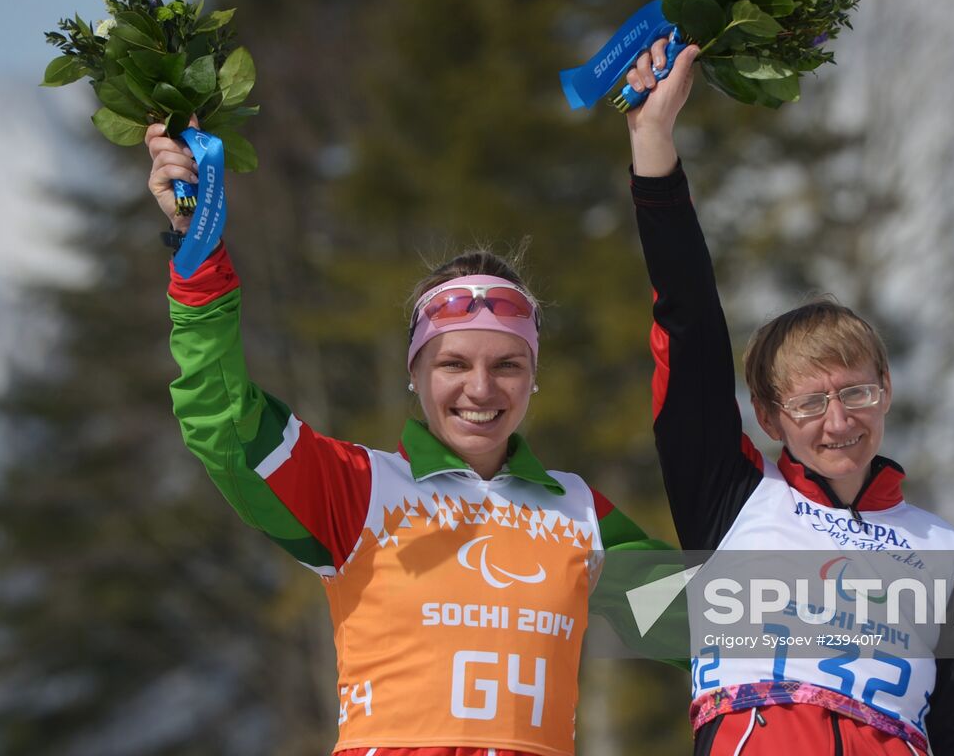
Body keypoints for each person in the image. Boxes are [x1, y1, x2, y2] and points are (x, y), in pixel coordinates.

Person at [144, 123, 665, 756]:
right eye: (453, 364)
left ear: (533, 378)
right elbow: (225, 421)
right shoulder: (358, 488)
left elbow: (721, 619)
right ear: (413, 374)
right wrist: (197, 250)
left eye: (507, 365)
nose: (481, 389)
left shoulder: (578, 510)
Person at [619, 41, 954, 755]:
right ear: (769, 417)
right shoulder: (732, 499)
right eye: (808, 405)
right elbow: (690, 327)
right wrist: (654, 146)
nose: (839, 421)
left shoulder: (947, 553)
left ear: (886, 390)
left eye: (856, 392)